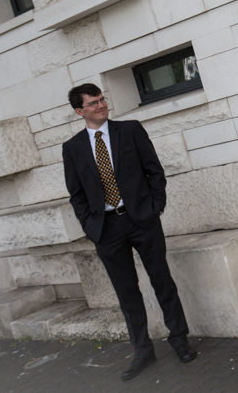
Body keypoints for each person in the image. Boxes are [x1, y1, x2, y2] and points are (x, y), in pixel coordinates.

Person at [63, 83, 197, 380]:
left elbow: (154, 171)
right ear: (79, 111)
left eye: (102, 99)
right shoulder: (72, 148)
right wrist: (90, 226)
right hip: (106, 229)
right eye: (93, 103)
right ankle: (143, 350)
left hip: (142, 220)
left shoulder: (130, 130)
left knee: (162, 281)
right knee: (126, 292)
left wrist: (155, 207)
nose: (101, 105)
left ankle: (179, 340)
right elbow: (76, 194)